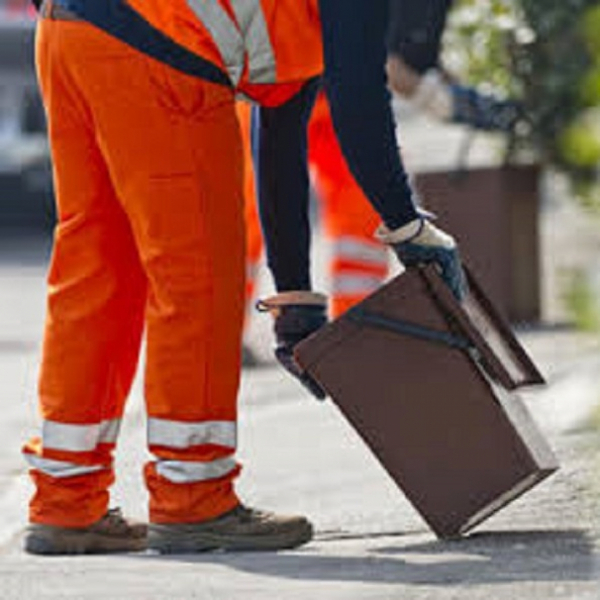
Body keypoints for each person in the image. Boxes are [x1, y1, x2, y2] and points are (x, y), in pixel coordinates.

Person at [23, 0, 323, 555]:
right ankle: (196, 496)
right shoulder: (344, 15)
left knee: (95, 269)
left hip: (65, 31)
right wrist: (298, 297)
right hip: (161, 53)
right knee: (198, 276)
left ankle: (65, 500)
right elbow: (284, 147)